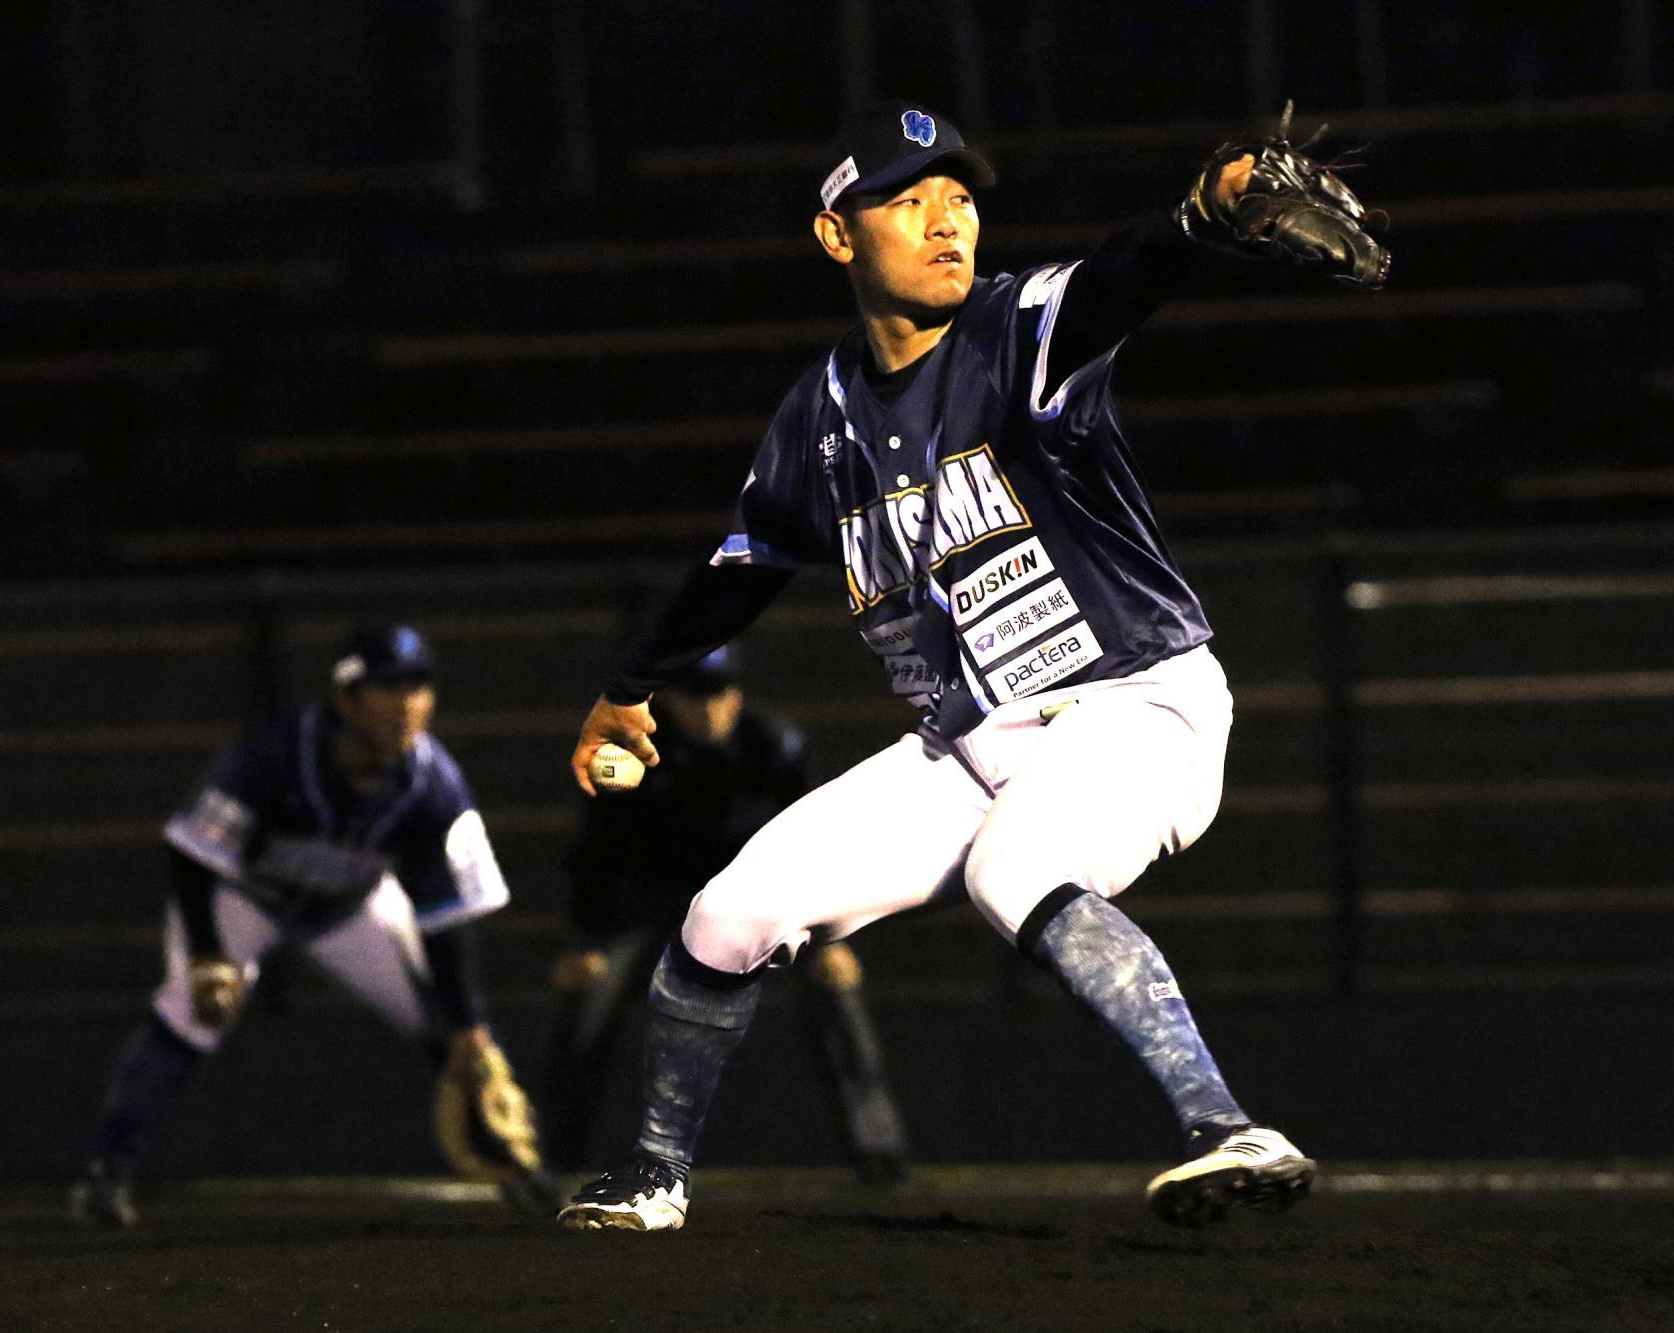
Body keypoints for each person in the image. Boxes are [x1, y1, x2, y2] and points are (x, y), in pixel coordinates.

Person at [557, 99, 1388, 1234]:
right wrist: (626, 688)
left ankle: (1224, 1124)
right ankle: (652, 1177)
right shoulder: (820, 416)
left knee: (1016, 871)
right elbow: (741, 567)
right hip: (964, 743)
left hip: (1135, 703)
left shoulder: (1016, 331)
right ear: (836, 236)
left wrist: (1201, 215)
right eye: (909, 201)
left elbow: (1115, 280)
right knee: (725, 914)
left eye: (960, 199)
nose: (948, 222)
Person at [68, 624, 560, 1225]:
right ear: (346, 700)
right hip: (243, 900)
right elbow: (194, 854)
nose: (407, 704)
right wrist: (205, 953)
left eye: (418, 687)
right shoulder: (275, 753)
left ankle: (519, 1170)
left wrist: (468, 1023)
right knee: (190, 1015)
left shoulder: (436, 785)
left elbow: (447, 918)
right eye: (387, 688)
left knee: (457, 1035)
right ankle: (105, 1175)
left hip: (347, 910)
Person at [541, 644, 909, 1182]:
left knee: (835, 989)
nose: (708, 708)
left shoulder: (774, 746)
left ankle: (880, 1156)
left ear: (737, 694)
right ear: (669, 701)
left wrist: (831, 942)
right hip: (653, 906)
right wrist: (584, 941)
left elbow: (812, 847)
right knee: (588, 995)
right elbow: (597, 854)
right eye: (695, 695)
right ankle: (557, 1160)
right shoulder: (632, 754)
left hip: (748, 900)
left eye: (720, 693)